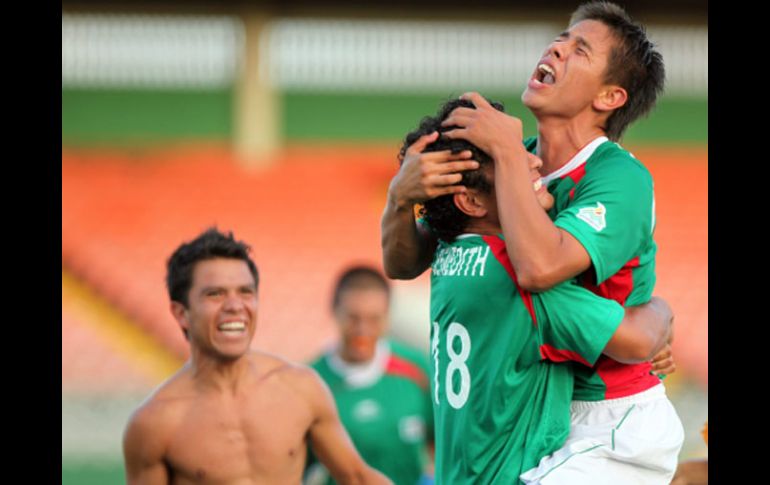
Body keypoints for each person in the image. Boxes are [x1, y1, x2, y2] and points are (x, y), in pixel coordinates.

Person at [380, 2, 684, 483]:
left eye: (579, 49)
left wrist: (659, 317)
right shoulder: (515, 165)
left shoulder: (618, 177)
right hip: (543, 411)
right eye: (561, 38)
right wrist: (401, 197)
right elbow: (408, 261)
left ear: (609, 96)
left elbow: (538, 268)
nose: (556, 47)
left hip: (610, 414)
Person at [122, 228, 391, 485]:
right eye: (215, 294)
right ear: (181, 313)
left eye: (245, 292)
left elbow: (357, 478)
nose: (235, 306)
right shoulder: (154, 424)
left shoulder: (300, 388)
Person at [305, 266, 434, 485]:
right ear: (334, 311)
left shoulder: (416, 368)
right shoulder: (311, 381)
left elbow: (442, 441)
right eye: (353, 318)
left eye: (374, 319)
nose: (363, 329)